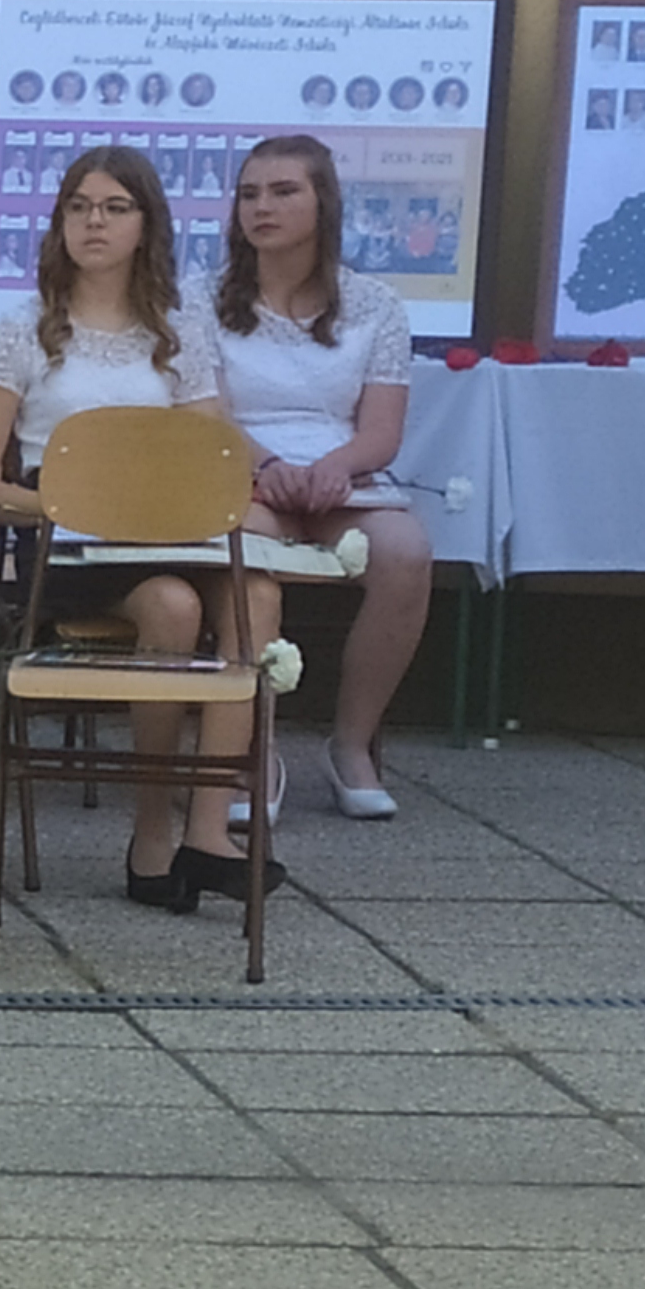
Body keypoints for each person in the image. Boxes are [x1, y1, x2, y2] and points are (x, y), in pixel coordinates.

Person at [0, 143, 267, 914]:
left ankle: (209, 830)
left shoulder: (178, 331)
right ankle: (151, 832)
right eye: (79, 207)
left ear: (146, 225)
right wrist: (72, 505)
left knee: (257, 595)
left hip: (167, 527)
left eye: (114, 208)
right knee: (174, 608)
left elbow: (210, 456)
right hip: (67, 540)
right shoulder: (25, 327)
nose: (94, 222)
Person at [210, 133, 425, 820]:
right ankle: (254, 746)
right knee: (245, 551)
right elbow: (204, 416)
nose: (262, 207)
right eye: (249, 194)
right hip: (241, 472)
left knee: (406, 553)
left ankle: (351, 745)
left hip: (341, 478)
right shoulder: (199, 299)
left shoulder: (377, 304)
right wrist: (266, 466)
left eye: (283, 192)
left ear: (323, 203)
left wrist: (333, 468)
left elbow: (382, 432)